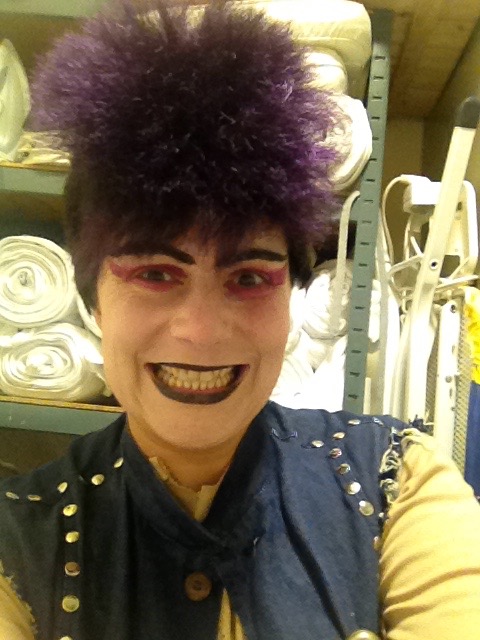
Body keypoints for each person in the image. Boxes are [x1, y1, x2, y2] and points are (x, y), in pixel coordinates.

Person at [1, 2, 480, 639]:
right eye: (155, 274)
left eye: (249, 278)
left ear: (290, 300)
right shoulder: (16, 540)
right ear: (93, 300)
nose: (202, 331)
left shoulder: (399, 481)